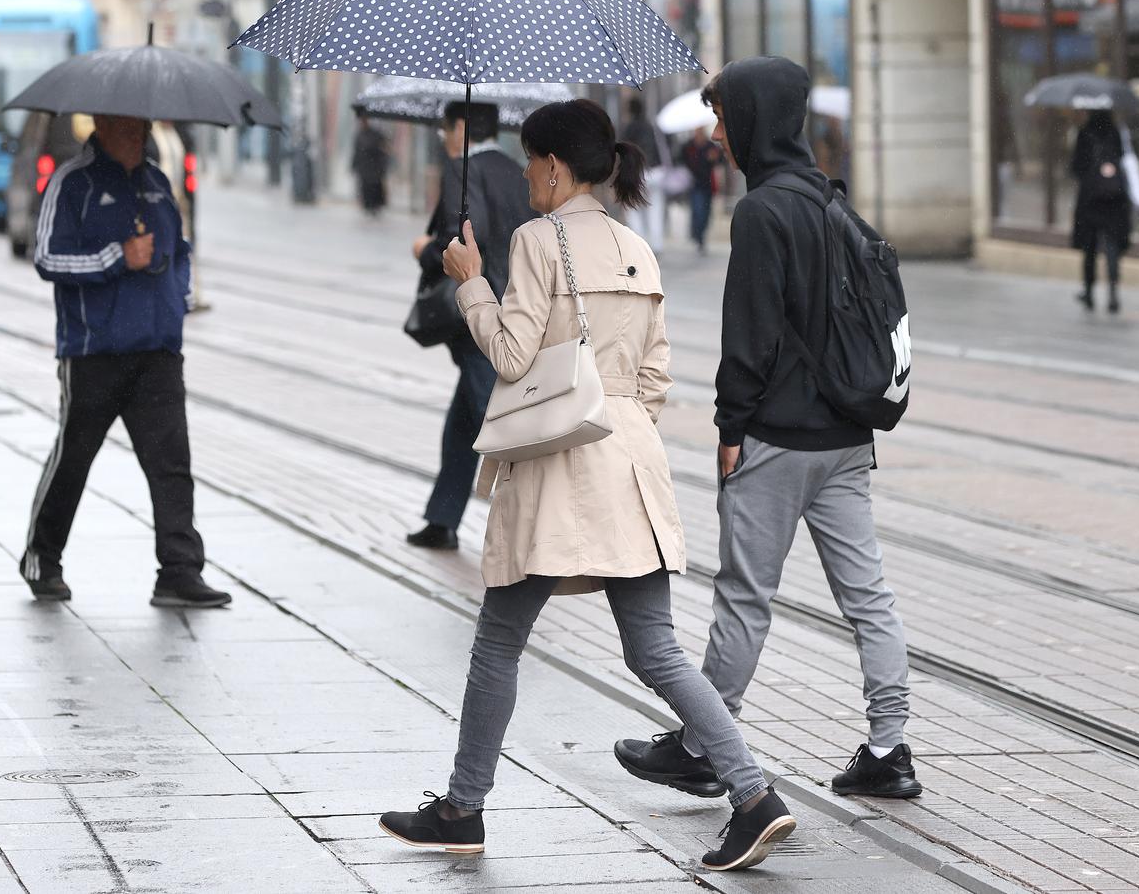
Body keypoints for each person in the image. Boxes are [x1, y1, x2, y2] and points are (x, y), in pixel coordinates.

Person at [379, 99, 796, 872]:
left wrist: (472, 282)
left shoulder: (538, 240)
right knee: (657, 650)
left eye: (535, 161)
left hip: (557, 466)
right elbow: (656, 373)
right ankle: (752, 793)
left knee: (499, 641)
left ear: (552, 167)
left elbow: (510, 355)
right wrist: (620, 422)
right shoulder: (638, 245)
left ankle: (463, 808)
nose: (531, 174)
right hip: (631, 463)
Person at [613, 57, 921, 801]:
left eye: (724, 116)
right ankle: (890, 747)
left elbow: (746, 339)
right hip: (848, 437)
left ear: (754, 117)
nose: (718, 132)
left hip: (777, 440)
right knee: (868, 596)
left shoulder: (760, 212)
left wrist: (730, 426)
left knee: (745, 598)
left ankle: (701, 744)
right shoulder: (832, 201)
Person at [20, 115, 231, 608]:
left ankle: (179, 571)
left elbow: (178, 251)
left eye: (142, 125)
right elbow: (47, 258)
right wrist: (117, 256)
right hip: (94, 352)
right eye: (127, 126)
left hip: (156, 351)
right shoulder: (72, 182)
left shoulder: (157, 182)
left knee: (172, 465)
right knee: (73, 460)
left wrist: (176, 304)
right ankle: (42, 559)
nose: (138, 133)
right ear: (102, 124)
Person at [406, 101, 535, 550]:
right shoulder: (516, 170)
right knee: (463, 420)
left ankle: (534, 525)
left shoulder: (462, 171)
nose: (443, 137)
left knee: (494, 417)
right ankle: (442, 519)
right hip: (515, 306)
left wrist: (424, 248)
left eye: (446, 128)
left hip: (478, 316)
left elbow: (460, 241)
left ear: (461, 127)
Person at [1069, 109, 1132, 315]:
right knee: (1112, 248)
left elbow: (1076, 168)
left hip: (1090, 200)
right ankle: (1113, 293)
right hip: (1113, 200)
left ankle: (1088, 292)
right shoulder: (1115, 132)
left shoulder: (1084, 133)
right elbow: (1122, 159)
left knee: (1090, 249)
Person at [620, 96, 665, 252]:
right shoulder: (651, 126)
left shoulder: (629, 128)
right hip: (656, 172)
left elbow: (624, 153)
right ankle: (657, 245)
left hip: (637, 172)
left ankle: (640, 244)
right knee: (655, 209)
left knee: (634, 209)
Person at [681, 127, 721, 253]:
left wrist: (714, 158)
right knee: (697, 210)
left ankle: (700, 234)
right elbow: (681, 159)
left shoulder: (710, 146)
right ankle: (697, 234)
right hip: (694, 184)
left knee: (706, 212)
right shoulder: (688, 146)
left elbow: (720, 160)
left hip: (707, 184)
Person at [352, 113, 391, 215]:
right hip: (364, 167)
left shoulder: (376, 134)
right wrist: (354, 165)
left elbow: (384, 149)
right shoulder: (359, 135)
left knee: (374, 187)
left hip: (374, 167)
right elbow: (356, 152)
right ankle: (367, 205)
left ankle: (375, 205)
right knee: (366, 187)